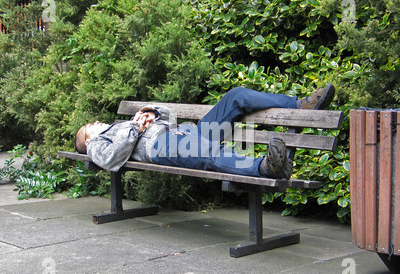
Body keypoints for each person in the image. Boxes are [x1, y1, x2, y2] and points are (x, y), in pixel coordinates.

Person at [75, 85, 335, 179]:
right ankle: (265, 168)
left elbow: (169, 115)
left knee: (236, 97)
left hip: (187, 133)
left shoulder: (118, 125)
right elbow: (111, 159)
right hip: (161, 147)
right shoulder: (98, 144)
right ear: (87, 141)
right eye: (90, 126)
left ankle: (300, 104)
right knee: (209, 154)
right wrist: (134, 127)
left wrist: (152, 112)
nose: (96, 122)